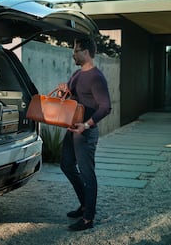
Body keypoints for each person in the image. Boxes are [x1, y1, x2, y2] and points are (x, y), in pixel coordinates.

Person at [57, 37, 111, 231]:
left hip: (85, 133)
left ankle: (88, 219)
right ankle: (85, 204)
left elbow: (105, 107)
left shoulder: (96, 77)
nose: (73, 54)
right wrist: (65, 91)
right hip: (72, 130)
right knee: (66, 165)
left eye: (76, 50)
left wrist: (86, 126)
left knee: (87, 174)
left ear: (86, 52)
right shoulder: (77, 75)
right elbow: (71, 98)